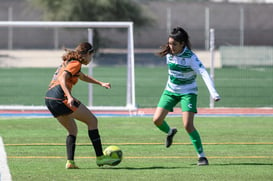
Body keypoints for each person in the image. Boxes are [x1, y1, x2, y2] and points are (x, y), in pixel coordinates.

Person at [153, 27, 221, 166]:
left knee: (188, 125)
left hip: (188, 92)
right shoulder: (169, 53)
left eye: (174, 44)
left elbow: (203, 73)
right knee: (157, 120)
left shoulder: (191, 57)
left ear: (182, 43)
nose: (171, 47)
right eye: (169, 43)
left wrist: (213, 93)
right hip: (170, 91)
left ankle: (202, 157)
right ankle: (170, 132)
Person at [45, 42, 119, 169]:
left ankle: (70, 162)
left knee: (72, 130)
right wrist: (69, 96)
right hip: (60, 97)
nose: (91, 59)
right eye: (92, 56)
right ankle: (100, 157)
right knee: (92, 121)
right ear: (87, 54)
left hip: (49, 98)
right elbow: (63, 78)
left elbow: (83, 77)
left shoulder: (70, 62)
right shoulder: (75, 63)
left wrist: (100, 83)